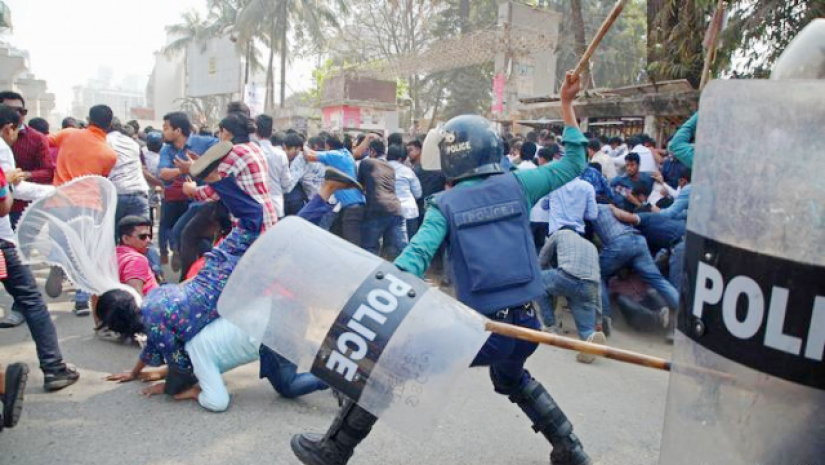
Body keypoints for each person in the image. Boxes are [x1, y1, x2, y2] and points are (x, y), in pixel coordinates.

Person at [290, 71, 593, 465]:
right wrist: (567, 104)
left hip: (486, 331)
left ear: (451, 158)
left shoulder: (445, 206)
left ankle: (334, 449)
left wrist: (370, 292)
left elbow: (413, 259)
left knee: (386, 369)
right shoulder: (521, 184)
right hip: (527, 326)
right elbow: (575, 161)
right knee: (511, 377)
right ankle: (571, 449)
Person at [129, 169, 360, 411]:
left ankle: (339, 373)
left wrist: (171, 387)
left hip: (237, 287)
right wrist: (139, 372)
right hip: (220, 267)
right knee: (269, 228)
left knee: (284, 243)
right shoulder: (157, 297)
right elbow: (167, 350)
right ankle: (218, 179)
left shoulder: (164, 329)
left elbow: (180, 364)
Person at [0, 105, 79, 389]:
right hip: (2, 245)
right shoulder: (2, 148)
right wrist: (57, 191)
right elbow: (4, 203)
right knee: (32, 301)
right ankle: (54, 368)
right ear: (9, 128)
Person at [45, 104, 118, 316]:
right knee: (85, 254)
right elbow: (102, 180)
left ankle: (57, 260)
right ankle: (81, 301)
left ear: (88, 118)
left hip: (59, 202)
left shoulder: (68, 134)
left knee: (60, 243)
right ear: (109, 125)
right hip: (88, 205)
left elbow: (44, 142)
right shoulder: (109, 154)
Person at [591, 204, 678, 336]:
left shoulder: (592, 209)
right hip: (637, 239)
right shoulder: (610, 209)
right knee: (657, 280)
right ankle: (681, 314)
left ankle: (604, 320)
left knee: (596, 275)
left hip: (620, 242)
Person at [157, 112, 218, 270]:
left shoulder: (205, 142)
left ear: (177, 131)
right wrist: (184, 169)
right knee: (188, 235)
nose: (163, 132)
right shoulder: (167, 150)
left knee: (183, 233)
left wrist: (196, 165)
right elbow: (163, 173)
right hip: (188, 199)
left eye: (166, 128)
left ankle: (194, 271)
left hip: (209, 199)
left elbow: (222, 155)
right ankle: (201, 269)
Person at [537, 229, 606, 363]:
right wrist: (598, 320)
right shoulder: (592, 246)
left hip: (566, 276)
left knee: (538, 282)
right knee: (586, 328)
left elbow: (541, 261)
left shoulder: (559, 233)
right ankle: (589, 337)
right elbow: (598, 289)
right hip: (590, 286)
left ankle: (550, 327)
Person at [0, 92, 54, 229]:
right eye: (11, 110)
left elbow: (48, 171)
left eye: (21, 111)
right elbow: (13, 187)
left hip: (23, 209)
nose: (17, 115)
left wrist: (26, 175)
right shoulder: (3, 147)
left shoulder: (37, 138)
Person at [302, 135, 366, 246]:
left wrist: (301, 145)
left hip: (350, 206)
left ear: (328, 145)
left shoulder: (335, 155)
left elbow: (309, 156)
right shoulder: (345, 153)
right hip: (352, 205)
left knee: (352, 243)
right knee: (339, 238)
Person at [357, 140, 407, 259]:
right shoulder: (391, 167)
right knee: (397, 248)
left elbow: (360, 185)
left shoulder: (367, 163)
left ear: (372, 151)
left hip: (377, 208)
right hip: (396, 209)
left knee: (369, 247)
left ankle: (370, 268)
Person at [108, 119, 150, 229]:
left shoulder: (105, 141)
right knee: (142, 233)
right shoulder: (133, 143)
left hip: (118, 194)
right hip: (139, 192)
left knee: (116, 234)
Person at [255, 115, 292, 218]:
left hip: (255, 207)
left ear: (255, 131)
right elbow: (286, 183)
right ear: (271, 132)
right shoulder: (280, 154)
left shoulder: (250, 152)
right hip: (275, 206)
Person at [115, 216, 159, 298]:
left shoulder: (113, 256)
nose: (148, 240)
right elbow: (136, 295)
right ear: (126, 239)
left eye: (149, 236)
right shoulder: (136, 260)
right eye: (143, 237)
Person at [386, 144, 422, 239]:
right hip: (409, 211)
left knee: (390, 242)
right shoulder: (408, 171)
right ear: (400, 158)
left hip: (389, 211)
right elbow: (418, 193)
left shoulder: (381, 168)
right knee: (411, 241)